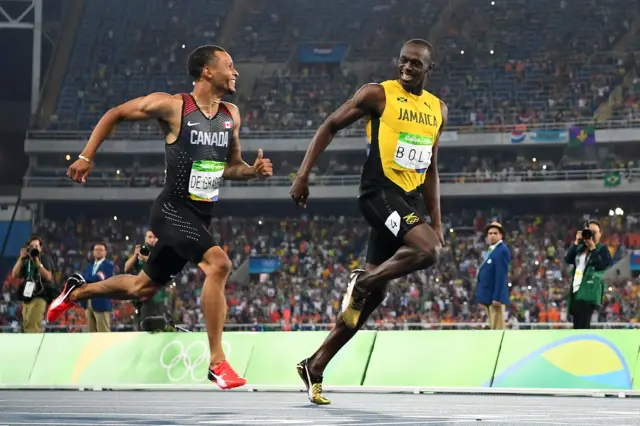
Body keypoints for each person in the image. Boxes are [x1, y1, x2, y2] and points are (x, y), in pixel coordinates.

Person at [47, 45, 273, 389]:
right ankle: (217, 362)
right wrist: (86, 156)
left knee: (142, 286)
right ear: (207, 72)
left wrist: (253, 172)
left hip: (200, 215)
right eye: (230, 65)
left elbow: (231, 168)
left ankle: (76, 292)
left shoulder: (232, 115)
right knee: (220, 265)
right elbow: (115, 113)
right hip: (171, 209)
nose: (236, 72)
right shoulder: (174, 106)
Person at [290, 39, 447, 404]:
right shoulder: (377, 94)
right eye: (403, 62)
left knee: (372, 299)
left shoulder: (438, 109)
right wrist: (302, 175)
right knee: (430, 251)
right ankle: (363, 282)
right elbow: (330, 125)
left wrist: (437, 221)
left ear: (430, 69)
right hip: (378, 194)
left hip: (406, 199)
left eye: (416, 64)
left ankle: (315, 364)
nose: (407, 68)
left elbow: (432, 169)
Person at [564, 220, 611, 329]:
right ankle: (579, 343)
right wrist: (576, 242)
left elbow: (601, 265)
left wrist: (593, 249)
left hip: (589, 291)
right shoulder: (581, 248)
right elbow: (568, 259)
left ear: (600, 234)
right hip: (577, 290)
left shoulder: (602, 249)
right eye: (590, 232)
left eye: (595, 232)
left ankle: (583, 344)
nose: (592, 235)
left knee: (583, 323)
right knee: (577, 323)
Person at [124, 230, 168, 331]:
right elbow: (126, 268)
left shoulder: (163, 252)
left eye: (154, 237)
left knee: (156, 325)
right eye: (150, 237)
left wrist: (147, 260)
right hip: (141, 295)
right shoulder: (141, 252)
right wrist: (135, 255)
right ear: (145, 239)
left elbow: (163, 268)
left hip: (156, 296)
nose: (152, 239)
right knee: (141, 324)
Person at [12, 236, 55, 333]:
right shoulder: (26, 260)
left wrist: (37, 262)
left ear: (40, 248)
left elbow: (48, 277)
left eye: (36, 245)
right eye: (32, 246)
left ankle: (34, 347)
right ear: (28, 248)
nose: (34, 248)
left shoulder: (44, 258)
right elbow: (14, 274)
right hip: (28, 295)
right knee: (27, 324)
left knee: (32, 325)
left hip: (40, 295)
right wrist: (20, 258)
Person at [475, 222, 511, 330]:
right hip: (489, 296)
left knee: (498, 329)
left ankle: (501, 347)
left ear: (501, 235)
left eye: (495, 233)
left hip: (495, 298)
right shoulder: (492, 250)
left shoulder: (502, 251)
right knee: (493, 327)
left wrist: (497, 297)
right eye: (490, 233)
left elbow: (501, 276)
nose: (492, 235)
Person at [79, 242, 114, 332]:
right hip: (88, 302)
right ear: (93, 252)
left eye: (101, 250)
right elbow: (84, 280)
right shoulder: (89, 266)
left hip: (101, 302)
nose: (98, 252)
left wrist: (88, 280)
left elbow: (101, 280)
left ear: (105, 252)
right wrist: (94, 278)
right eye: (96, 250)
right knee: (91, 333)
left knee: (103, 333)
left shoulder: (108, 266)